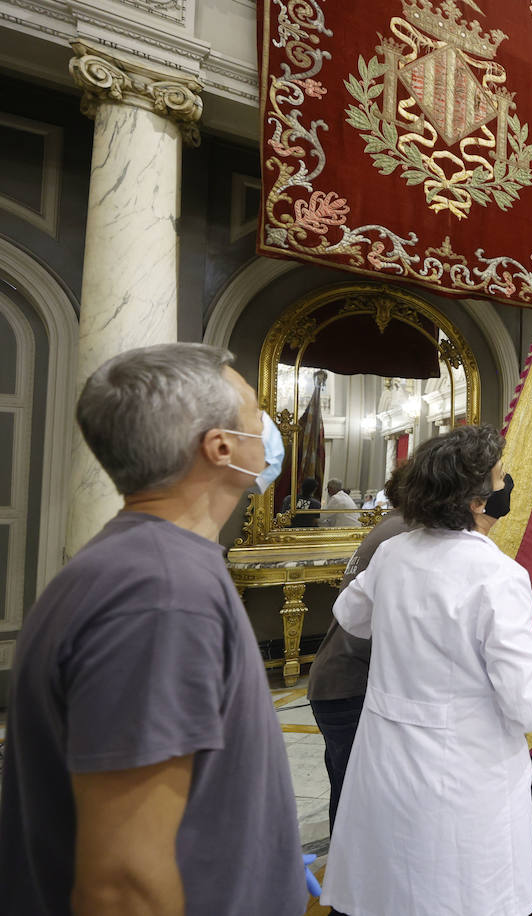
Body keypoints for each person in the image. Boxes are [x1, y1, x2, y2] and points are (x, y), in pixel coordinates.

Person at [0, 343, 310, 915]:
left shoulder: (150, 565)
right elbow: (123, 883)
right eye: (254, 411)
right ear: (219, 447)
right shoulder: (162, 595)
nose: (269, 427)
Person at [320, 426, 532, 916]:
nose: (507, 482)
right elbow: (528, 704)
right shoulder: (498, 575)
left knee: (389, 888)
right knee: (455, 893)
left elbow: (350, 616)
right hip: (464, 772)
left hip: (387, 757)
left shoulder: (393, 552)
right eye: (499, 476)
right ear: (475, 501)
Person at [308, 467, 410, 830]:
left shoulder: (394, 525)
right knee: (359, 805)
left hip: (337, 682)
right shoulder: (405, 534)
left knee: (346, 791)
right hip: (350, 685)